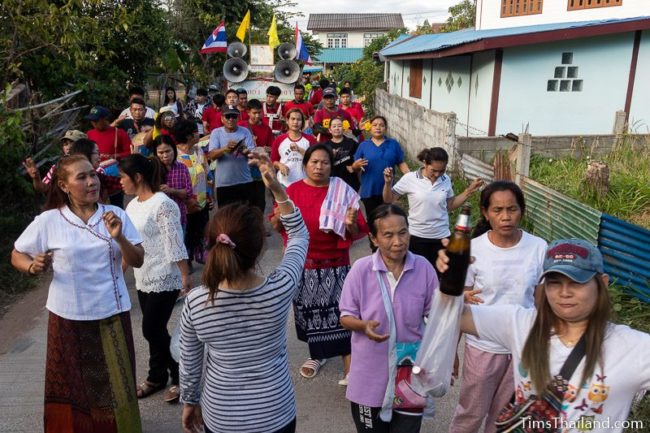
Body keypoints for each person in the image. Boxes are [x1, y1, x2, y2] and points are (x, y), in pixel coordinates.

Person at [439, 238, 650, 433]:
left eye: (577, 282)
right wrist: (450, 280)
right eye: (554, 282)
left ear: (602, 283)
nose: (564, 292)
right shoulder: (521, 324)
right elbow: (450, 315)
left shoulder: (633, 348)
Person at [12, 154, 145, 432]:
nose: (91, 181)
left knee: (116, 385)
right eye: (81, 177)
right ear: (63, 185)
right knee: (73, 387)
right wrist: (32, 267)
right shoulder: (49, 221)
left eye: (93, 174)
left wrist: (119, 237)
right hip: (67, 317)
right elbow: (17, 254)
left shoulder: (116, 215)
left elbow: (137, 260)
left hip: (112, 313)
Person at [180, 152, 306, 433]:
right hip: (276, 412)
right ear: (260, 246)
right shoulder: (279, 289)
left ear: (212, 243)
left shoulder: (196, 301)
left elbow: (190, 362)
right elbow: (299, 235)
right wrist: (276, 188)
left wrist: (190, 401)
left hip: (222, 416)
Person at [448, 181, 547, 433]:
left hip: (522, 349)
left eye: (512, 209)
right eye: (497, 210)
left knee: (505, 419)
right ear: (485, 212)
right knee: (470, 413)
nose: (505, 217)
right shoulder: (473, 249)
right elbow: (460, 302)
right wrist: (452, 351)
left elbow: (541, 302)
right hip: (483, 347)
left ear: (521, 211)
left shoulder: (538, 247)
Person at [271, 144, 368, 382]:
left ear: (330, 166)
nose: (319, 167)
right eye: (314, 162)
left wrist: (349, 223)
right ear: (304, 165)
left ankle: (350, 365)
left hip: (336, 265)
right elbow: (276, 226)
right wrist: (278, 216)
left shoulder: (342, 190)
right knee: (311, 316)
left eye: (324, 162)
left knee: (343, 313)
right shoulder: (292, 191)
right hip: (303, 264)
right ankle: (317, 355)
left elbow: (356, 231)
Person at [339, 203, 437, 433]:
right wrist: (363, 325)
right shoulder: (361, 270)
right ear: (373, 239)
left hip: (409, 375)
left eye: (403, 232)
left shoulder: (423, 268)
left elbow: (436, 316)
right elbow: (346, 316)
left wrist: (445, 355)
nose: (398, 241)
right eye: (388, 235)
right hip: (369, 375)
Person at [120, 153, 191, 403]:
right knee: (155, 330)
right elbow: (130, 243)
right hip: (144, 275)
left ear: (137, 177)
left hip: (165, 275)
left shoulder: (163, 204)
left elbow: (174, 242)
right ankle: (158, 376)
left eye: (123, 177)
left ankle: (181, 375)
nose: (120, 182)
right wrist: (120, 273)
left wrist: (184, 276)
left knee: (150, 328)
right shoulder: (131, 205)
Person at [383, 147, 483, 268]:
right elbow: (389, 199)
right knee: (417, 275)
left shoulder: (445, 179)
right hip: (416, 237)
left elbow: (450, 205)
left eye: (441, 171)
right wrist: (388, 183)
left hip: (441, 237)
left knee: (440, 275)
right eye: (433, 170)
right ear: (425, 163)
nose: (437, 174)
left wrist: (469, 191)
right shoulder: (410, 178)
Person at [353, 116, 409, 224]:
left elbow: (401, 162)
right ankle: (373, 241)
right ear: (370, 127)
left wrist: (410, 176)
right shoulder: (363, 145)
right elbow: (355, 167)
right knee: (373, 221)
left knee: (387, 221)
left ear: (386, 128)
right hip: (369, 190)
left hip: (388, 190)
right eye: (375, 125)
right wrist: (356, 165)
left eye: (381, 125)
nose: (378, 127)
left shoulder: (393, 144)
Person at [173, 119, 210, 269]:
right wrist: (187, 200)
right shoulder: (175, 155)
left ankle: (200, 254)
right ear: (188, 136)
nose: (198, 134)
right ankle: (185, 262)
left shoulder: (199, 151)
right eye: (195, 131)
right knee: (185, 232)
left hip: (201, 201)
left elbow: (206, 174)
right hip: (184, 204)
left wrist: (209, 195)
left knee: (201, 229)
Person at [207, 104, 256, 207]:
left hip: (244, 181)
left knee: (245, 217)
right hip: (224, 184)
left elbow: (253, 155)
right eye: (227, 116)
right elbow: (211, 155)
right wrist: (225, 148)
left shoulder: (245, 131)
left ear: (238, 118)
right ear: (222, 118)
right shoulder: (216, 133)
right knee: (226, 219)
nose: (231, 119)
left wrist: (243, 150)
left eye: (233, 116)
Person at [23, 129, 87, 194]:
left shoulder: (93, 164)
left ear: (85, 146)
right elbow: (43, 188)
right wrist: (36, 177)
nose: (68, 147)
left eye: (73, 143)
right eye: (66, 144)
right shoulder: (57, 168)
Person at [239, 98, 274, 213]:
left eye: (259, 112)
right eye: (254, 113)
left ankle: (258, 227)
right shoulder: (241, 126)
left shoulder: (266, 129)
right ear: (248, 112)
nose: (258, 116)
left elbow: (271, 148)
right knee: (244, 202)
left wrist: (265, 149)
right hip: (243, 169)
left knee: (259, 201)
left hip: (259, 170)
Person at [152, 135, 193, 230]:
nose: (165, 155)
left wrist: (171, 190)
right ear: (155, 153)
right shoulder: (152, 170)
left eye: (168, 151)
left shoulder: (182, 168)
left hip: (179, 218)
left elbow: (188, 193)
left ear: (174, 150)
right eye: (160, 152)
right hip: (158, 222)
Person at [271, 108, 317, 187]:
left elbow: (316, 159)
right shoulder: (279, 140)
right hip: (283, 184)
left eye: (298, 119)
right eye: (293, 119)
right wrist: (280, 165)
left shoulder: (310, 140)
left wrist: (300, 150)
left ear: (302, 122)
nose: (295, 122)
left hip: (305, 183)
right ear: (287, 121)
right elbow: (273, 161)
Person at [323, 117, 360, 191]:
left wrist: (354, 167)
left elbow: (359, 159)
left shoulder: (352, 143)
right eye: (334, 126)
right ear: (330, 130)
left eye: (339, 126)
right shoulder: (325, 146)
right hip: (332, 182)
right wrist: (330, 157)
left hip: (350, 181)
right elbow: (322, 163)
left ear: (343, 128)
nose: (337, 128)